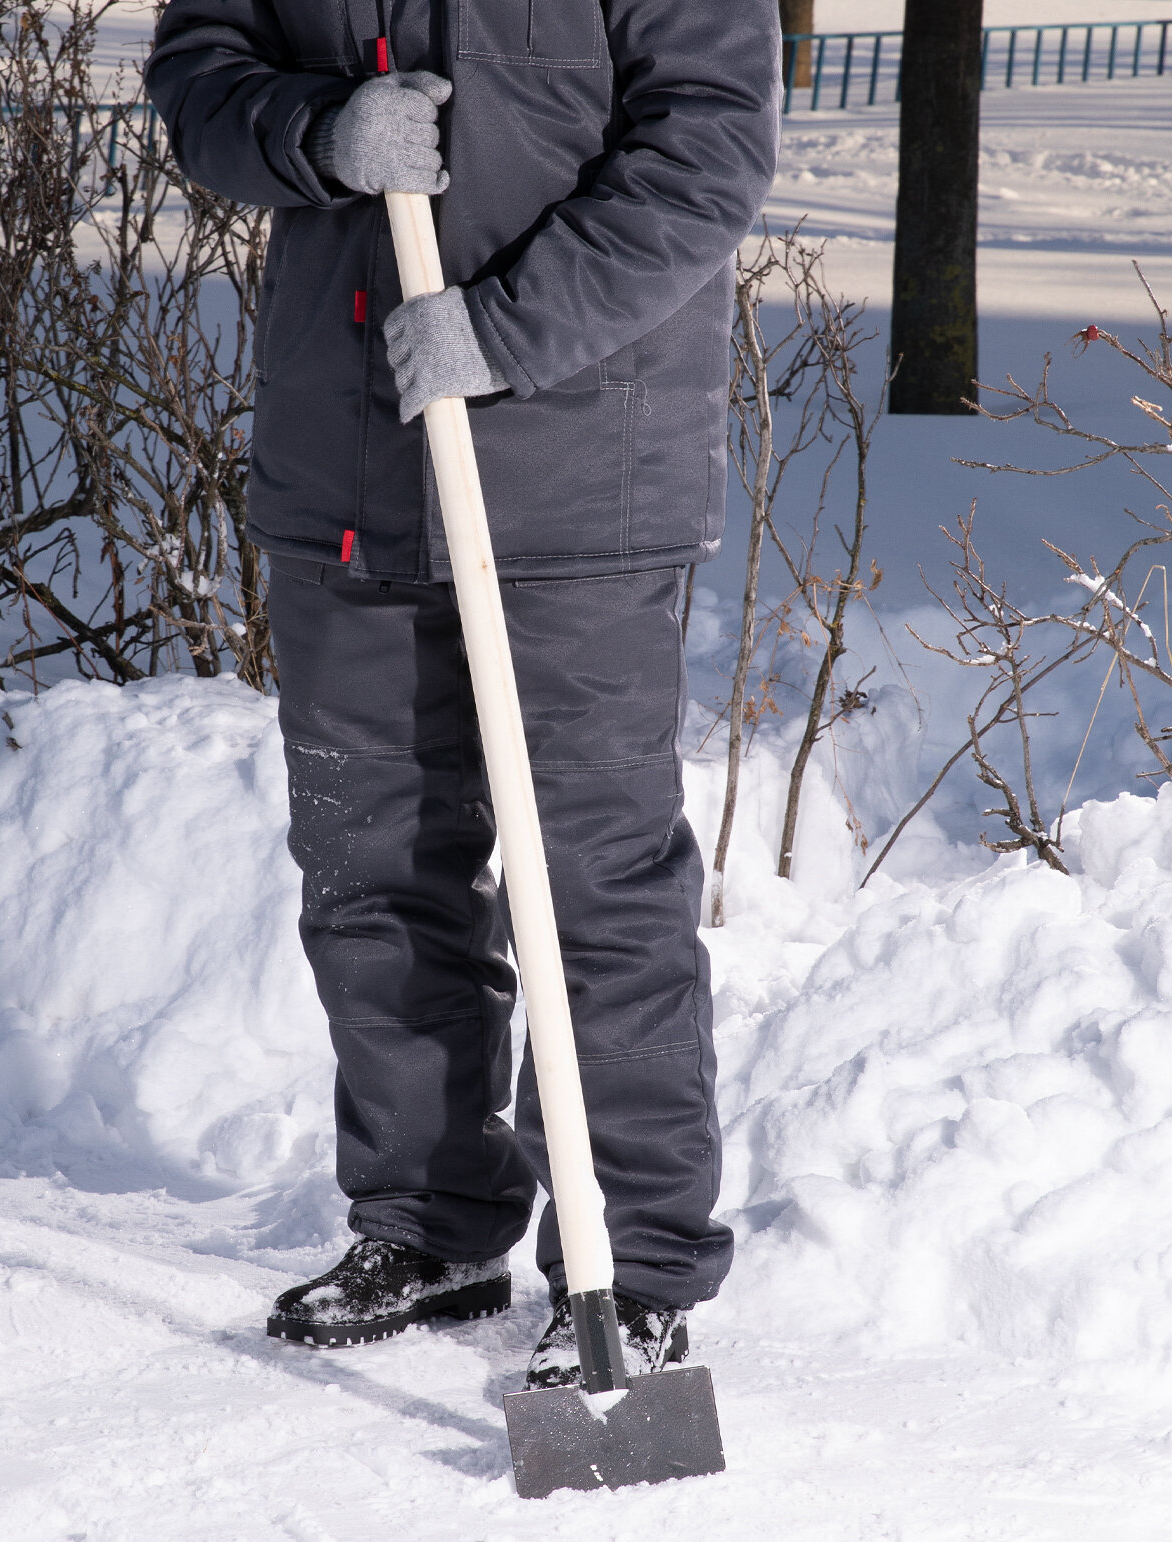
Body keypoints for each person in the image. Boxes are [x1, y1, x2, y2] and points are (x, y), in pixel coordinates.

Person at [146, 0, 781, 1388]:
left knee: (592, 885)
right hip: (350, 465)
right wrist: (316, 131)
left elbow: (710, 147)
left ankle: (638, 1265)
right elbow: (199, 76)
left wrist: (506, 328)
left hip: (578, 467)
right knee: (371, 867)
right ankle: (427, 1221)